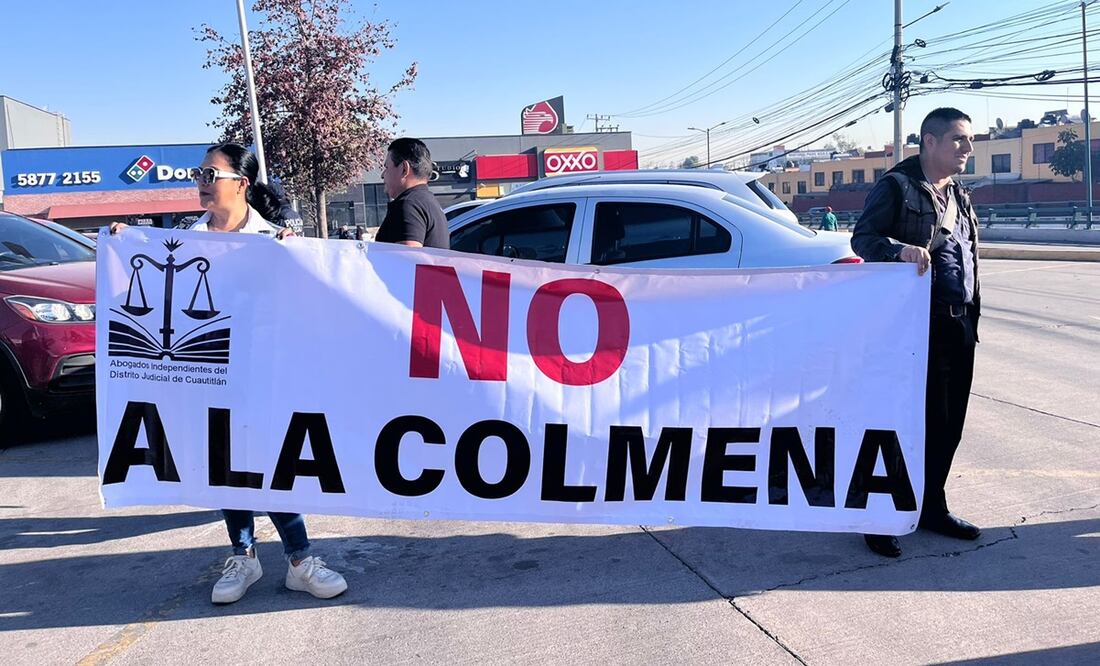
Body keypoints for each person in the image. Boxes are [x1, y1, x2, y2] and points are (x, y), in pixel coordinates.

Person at [111, 142, 348, 602]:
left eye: (211, 175)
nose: (201, 183)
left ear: (241, 183)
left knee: (273, 464)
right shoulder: (183, 238)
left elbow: (308, 307)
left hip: (263, 376)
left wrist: (296, 260)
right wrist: (123, 244)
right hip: (206, 376)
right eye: (199, 174)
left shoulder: (275, 240)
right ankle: (243, 555)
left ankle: (300, 560)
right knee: (222, 463)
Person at [851, 108, 982, 558]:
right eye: (959, 140)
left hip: (958, 323)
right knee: (901, 425)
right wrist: (898, 249)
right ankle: (878, 515)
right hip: (910, 331)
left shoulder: (959, 193)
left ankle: (931, 507)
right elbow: (862, 239)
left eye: (969, 140)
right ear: (929, 141)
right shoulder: (897, 186)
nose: (968, 148)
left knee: (948, 425)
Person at [376, 137, 449, 248]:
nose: (382, 175)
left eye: (387, 167)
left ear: (404, 169)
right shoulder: (427, 202)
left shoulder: (408, 204)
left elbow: (408, 258)